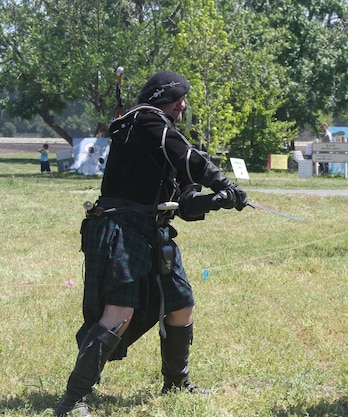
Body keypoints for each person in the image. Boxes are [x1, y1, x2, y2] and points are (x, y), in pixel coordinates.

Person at [55, 71, 248, 416]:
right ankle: (74, 399)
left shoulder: (163, 134)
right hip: (121, 228)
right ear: (165, 100)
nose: (182, 106)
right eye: (179, 100)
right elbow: (189, 158)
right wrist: (221, 181)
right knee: (119, 313)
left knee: (181, 304)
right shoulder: (143, 120)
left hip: (154, 232)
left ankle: (176, 381)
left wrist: (219, 199)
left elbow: (186, 203)